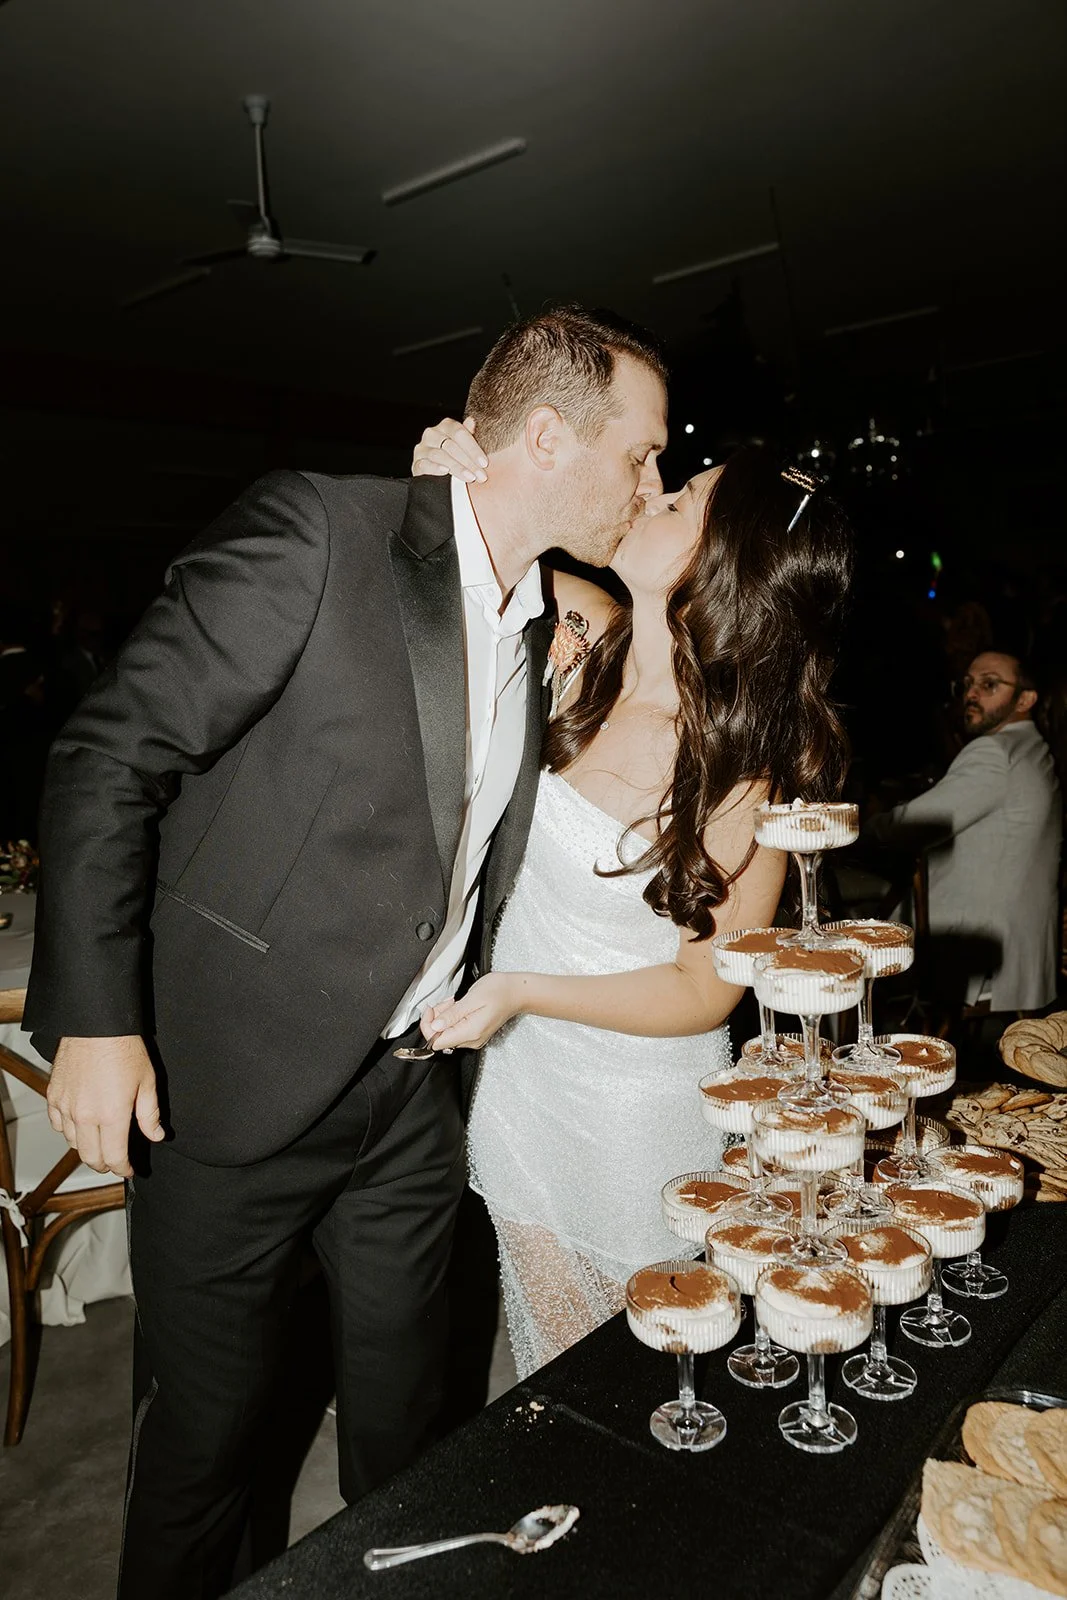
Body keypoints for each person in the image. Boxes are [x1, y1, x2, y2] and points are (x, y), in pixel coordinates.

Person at [23, 305, 669, 1600]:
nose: (646, 483)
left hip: (404, 1100)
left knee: (407, 1435)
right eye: (639, 454)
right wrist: (98, 1019)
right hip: (225, 1090)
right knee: (204, 1456)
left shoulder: (539, 617)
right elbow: (106, 757)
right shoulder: (320, 534)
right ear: (545, 434)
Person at [412, 424, 854, 1376]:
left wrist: (524, 992)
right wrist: (449, 475)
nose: (651, 495)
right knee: (542, 1351)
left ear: (724, 562)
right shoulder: (587, 644)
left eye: (684, 497)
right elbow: (474, 546)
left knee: (632, 1379)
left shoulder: (735, 762)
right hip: (518, 1086)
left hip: (626, 1113)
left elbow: (706, 990)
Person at [866, 649, 1061, 1014]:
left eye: (989, 684)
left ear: (1025, 699)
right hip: (1023, 946)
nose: (971, 693)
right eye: (968, 684)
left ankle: (834, 1051)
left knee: (834, 945)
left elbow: (908, 828)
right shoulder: (1035, 748)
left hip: (976, 947)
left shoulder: (994, 752)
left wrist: (867, 823)